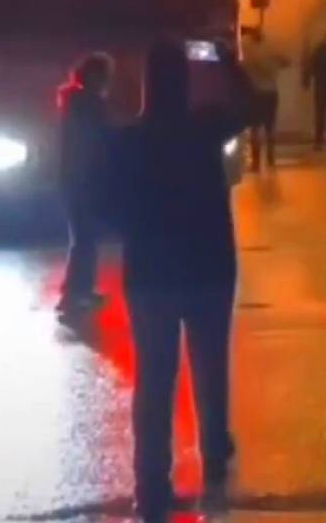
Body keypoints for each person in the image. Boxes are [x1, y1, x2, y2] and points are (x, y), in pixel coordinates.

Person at [106, 39, 252, 521]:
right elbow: (251, 106)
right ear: (184, 84)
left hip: (151, 274)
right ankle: (214, 453)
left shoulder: (130, 139)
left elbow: (110, 207)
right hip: (209, 267)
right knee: (210, 366)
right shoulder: (205, 127)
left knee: (156, 377)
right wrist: (228, 59)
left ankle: (151, 484)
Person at [56, 52, 114, 314]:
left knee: (83, 237)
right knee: (86, 238)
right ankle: (75, 292)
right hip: (85, 179)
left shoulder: (73, 101)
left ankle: (77, 290)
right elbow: (99, 141)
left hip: (72, 178)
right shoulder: (90, 104)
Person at [242, 28, 289, 171]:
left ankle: (256, 162)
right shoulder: (270, 51)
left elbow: (241, 69)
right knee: (270, 126)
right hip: (271, 92)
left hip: (255, 93)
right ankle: (271, 157)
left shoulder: (247, 52)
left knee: (255, 128)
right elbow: (286, 61)